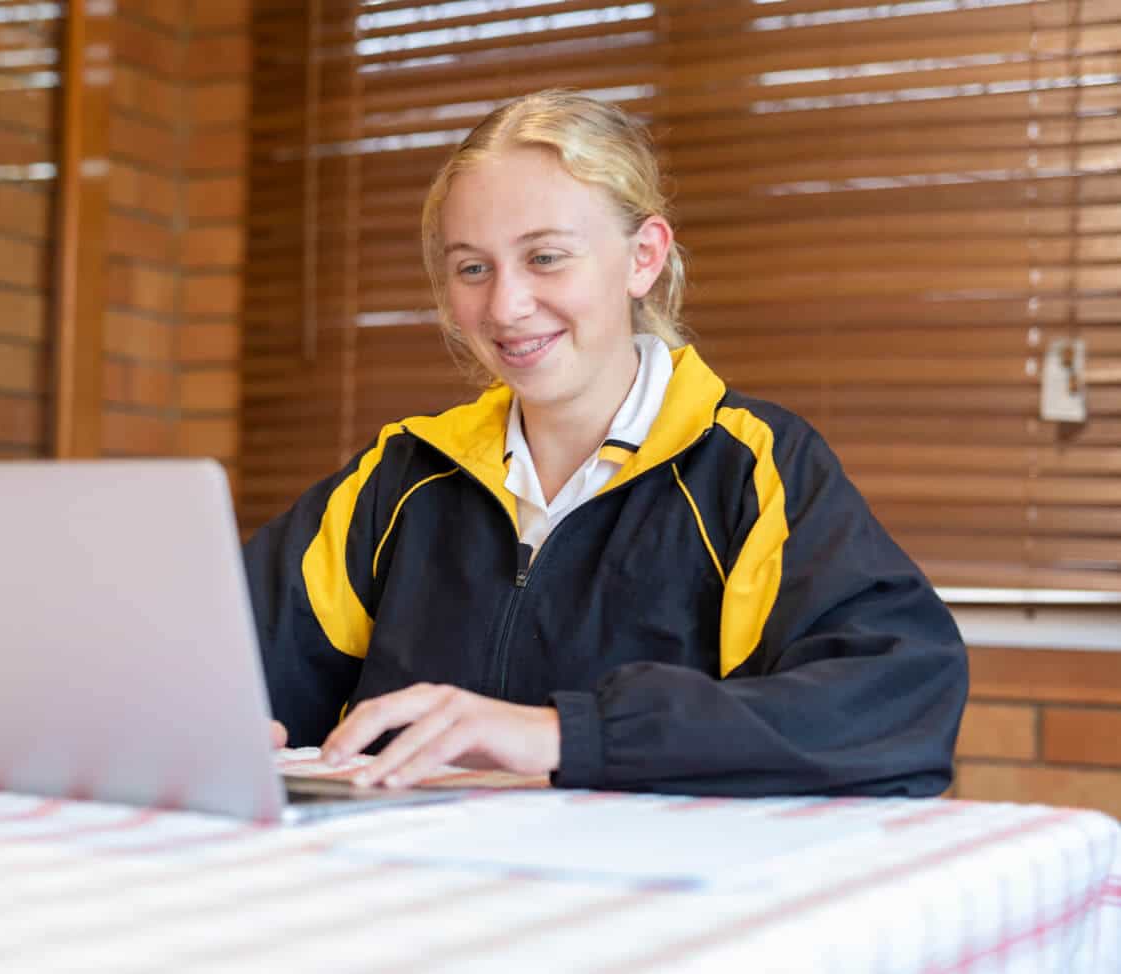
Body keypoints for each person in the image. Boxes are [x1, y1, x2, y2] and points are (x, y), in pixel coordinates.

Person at [244, 89, 968, 797]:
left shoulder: (750, 470)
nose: (505, 306)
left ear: (643, 257)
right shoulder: (399, 476)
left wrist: (564, 735)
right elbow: (234, 664)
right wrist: (231, 719)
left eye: (546, 258)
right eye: (473, 268)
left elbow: (898, 699)